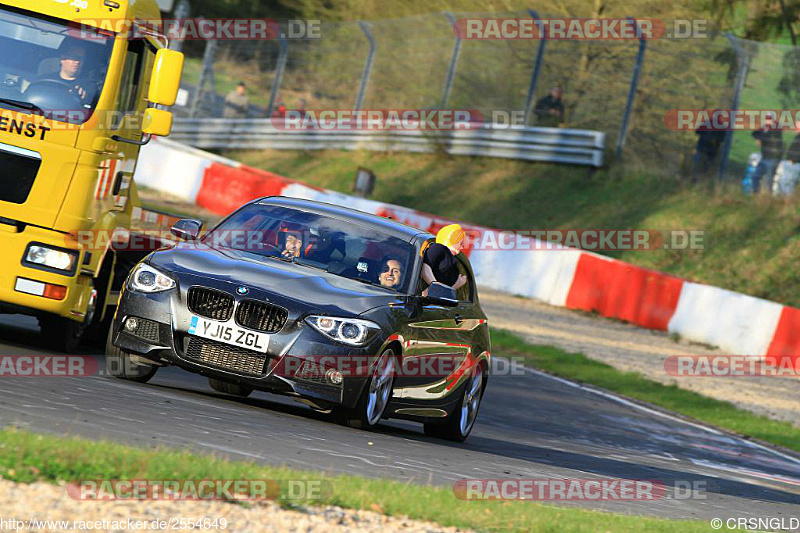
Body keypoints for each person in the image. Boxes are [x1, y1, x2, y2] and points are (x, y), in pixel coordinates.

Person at [31, 41, 95, 105]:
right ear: (62, 58)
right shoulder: (43, 81)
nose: (77, 61)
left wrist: (85, 98)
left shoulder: (89, 86)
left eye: (81, 58)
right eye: (74, 57)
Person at [421, 224, 467, 297]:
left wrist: (456, 285)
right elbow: (425, 265)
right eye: (461, 243)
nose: (462, 247)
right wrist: (435, 286)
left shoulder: (455, 262)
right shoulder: (439, 248)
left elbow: (443, 295)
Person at [751, 113, 784, 193]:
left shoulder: (776, 128)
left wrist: (759, 137)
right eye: (766, 118)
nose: (767, 120)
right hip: (764, 157)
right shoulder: (765, 127)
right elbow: (754, 133)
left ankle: (767, 199)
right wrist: (758, 138)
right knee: (755, 176)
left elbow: (767, 137)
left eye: (769, 119)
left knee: (768, 181)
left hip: (773, 158)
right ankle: (755, 195)